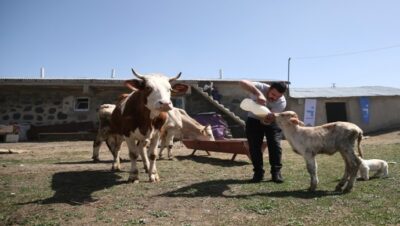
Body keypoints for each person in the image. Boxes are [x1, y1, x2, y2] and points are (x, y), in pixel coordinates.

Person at [239, 80, 287, 183]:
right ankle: (258, 173)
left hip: (271, 121)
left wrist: (267, 120)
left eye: (277, 97)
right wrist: (258, 94)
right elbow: (242, 82)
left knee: (275, 144)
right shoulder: (261, 87)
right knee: (254, 146)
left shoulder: (281, 102)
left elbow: (269, 119)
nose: (274, 98)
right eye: (273, 94)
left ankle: (276, 173)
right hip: (253, 119)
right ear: (269, 88)